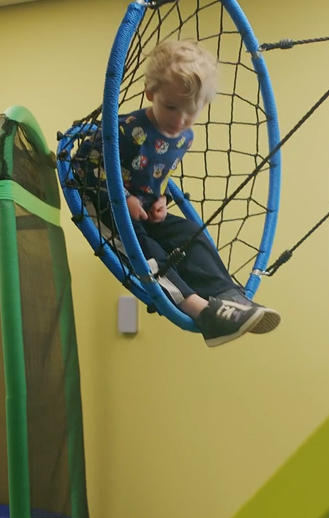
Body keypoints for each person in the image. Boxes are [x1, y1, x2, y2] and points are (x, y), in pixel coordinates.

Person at [73, 39, 280, 347]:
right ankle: (198, 308)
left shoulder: (184, 137)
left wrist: (159, 199)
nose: (180, 120)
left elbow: (158, 173)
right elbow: (81, 166)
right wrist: (119, 197)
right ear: (150, 93)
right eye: (171, 107)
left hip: (142, 208)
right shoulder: (124, 129)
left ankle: (228, 297)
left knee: (190, 232)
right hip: (102, 204)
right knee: (147, 251)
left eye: (191, 111)